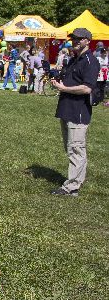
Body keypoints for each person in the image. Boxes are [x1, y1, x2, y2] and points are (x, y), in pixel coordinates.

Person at [51, 28, 100, 196]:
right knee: (72, 148)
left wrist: (64, 88)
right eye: (73, 38)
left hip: (79, 112)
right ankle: (75, 182)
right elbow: (69, 81)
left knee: (76, 149)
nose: (75, 41)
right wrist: (58, 82)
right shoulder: (74, 60)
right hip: (67, 109)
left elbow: (87, 88)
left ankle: (71, 187)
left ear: (88, 41)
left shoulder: (90, 61)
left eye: (79, 39)